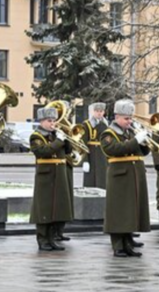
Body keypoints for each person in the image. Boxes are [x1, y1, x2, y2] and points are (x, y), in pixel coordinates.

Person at [101, 99, 151, 257]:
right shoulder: (109, 134)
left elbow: (143, 152)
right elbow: (114, 149)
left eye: (130, 118)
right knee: (118, 211)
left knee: (130, 211)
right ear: (117, 117)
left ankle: (128, 243)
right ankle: (118, 245)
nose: (129, 122)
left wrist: (144, 141)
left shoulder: (129, 132)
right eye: (126, 119)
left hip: (133, 176)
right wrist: (136, 141)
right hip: (119, 177)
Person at [29, 107, 73, 251]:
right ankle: (42, 239)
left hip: (59, 174)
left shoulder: (56, 135)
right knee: (44, 208)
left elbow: (67, 151)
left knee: (56, 208)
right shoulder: (36, 136)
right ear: (41, 121)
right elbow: (43, 152)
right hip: (45, 175)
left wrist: (66, 139)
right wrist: (59, 141)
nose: (52, 123)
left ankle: (52, 238)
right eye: (49, 121)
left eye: (54, 120)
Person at [80, 102, 108, 189]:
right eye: (97, 111)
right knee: (90, 181)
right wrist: (85, 160)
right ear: (92, 112)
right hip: (91, 155)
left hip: (103, 156)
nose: (99, 113)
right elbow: (83, 143)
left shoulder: (106, 124)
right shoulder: (86, 124)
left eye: (101, 111)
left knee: (103, 181)